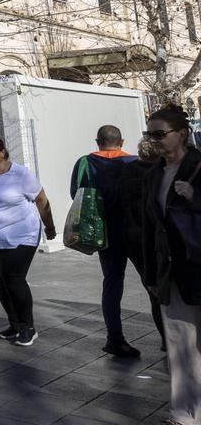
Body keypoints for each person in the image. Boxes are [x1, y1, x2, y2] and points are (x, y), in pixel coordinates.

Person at [141, 103, 201, 425]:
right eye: (149, 134)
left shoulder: (199, 166)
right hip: (172, 271)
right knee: (180, 344)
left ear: (182, 134)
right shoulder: (152, 175)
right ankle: (186, 414)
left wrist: (195, 197)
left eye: (160, 134)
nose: (154, 140)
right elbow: (150, 228)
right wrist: (151, 274)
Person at [0, 136, 56, 347]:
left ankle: (28, 327)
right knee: (0, 280)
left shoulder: (21, 175)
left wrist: (50, 226)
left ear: (3, 152)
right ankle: (15, 324)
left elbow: (42, 200)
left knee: (13, 279)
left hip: (21, 236)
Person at [70, 125, 140, 358]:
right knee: (153, 285)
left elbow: (77, 194)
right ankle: (168, 339)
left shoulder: (84, 163)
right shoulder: (134, 162)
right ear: (121, 141)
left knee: (112, 283)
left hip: (103, 232)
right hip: (135, 231)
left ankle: (115, 339)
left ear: (97, 141)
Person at [119, 139, 165, 351]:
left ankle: (166, 340)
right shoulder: (161, 173)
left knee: (153, 292)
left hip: (135, 240)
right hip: (160, 239)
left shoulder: (127, 172)